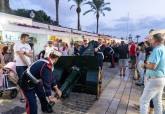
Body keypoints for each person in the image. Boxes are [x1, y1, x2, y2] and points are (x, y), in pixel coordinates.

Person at [18, 49, 62, 114]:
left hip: (35, 81)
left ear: (50, 55)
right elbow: (47, 82)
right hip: (26, 83)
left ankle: (45, 108)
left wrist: (56, 89)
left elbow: (51, 77)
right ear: (56, 59)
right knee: (32, 103)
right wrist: (50, 97)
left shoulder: (47, 61)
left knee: (42, 95)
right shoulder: (46, 65)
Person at [140, 33, 165, 114]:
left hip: (154, 79)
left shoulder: (157, 50)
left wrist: (144, 65)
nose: (151, 41)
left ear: (156, 40)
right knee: (157, 102)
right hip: (161, 79)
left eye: (152, 39)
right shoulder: (163, 48)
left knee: (144, 101)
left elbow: (153, 66)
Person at [14, 33, 33, 102]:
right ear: (22, 38)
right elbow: (21, 56)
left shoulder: (28, 45)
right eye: (27, 38)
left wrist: (24, 53)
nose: (28, 39)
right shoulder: (17, 45)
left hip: (27, 65)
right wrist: (28, 64)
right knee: (22, 80)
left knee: (27, 80)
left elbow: (31, 55)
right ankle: (23, 97)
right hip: (20, 65)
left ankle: (25, 92)